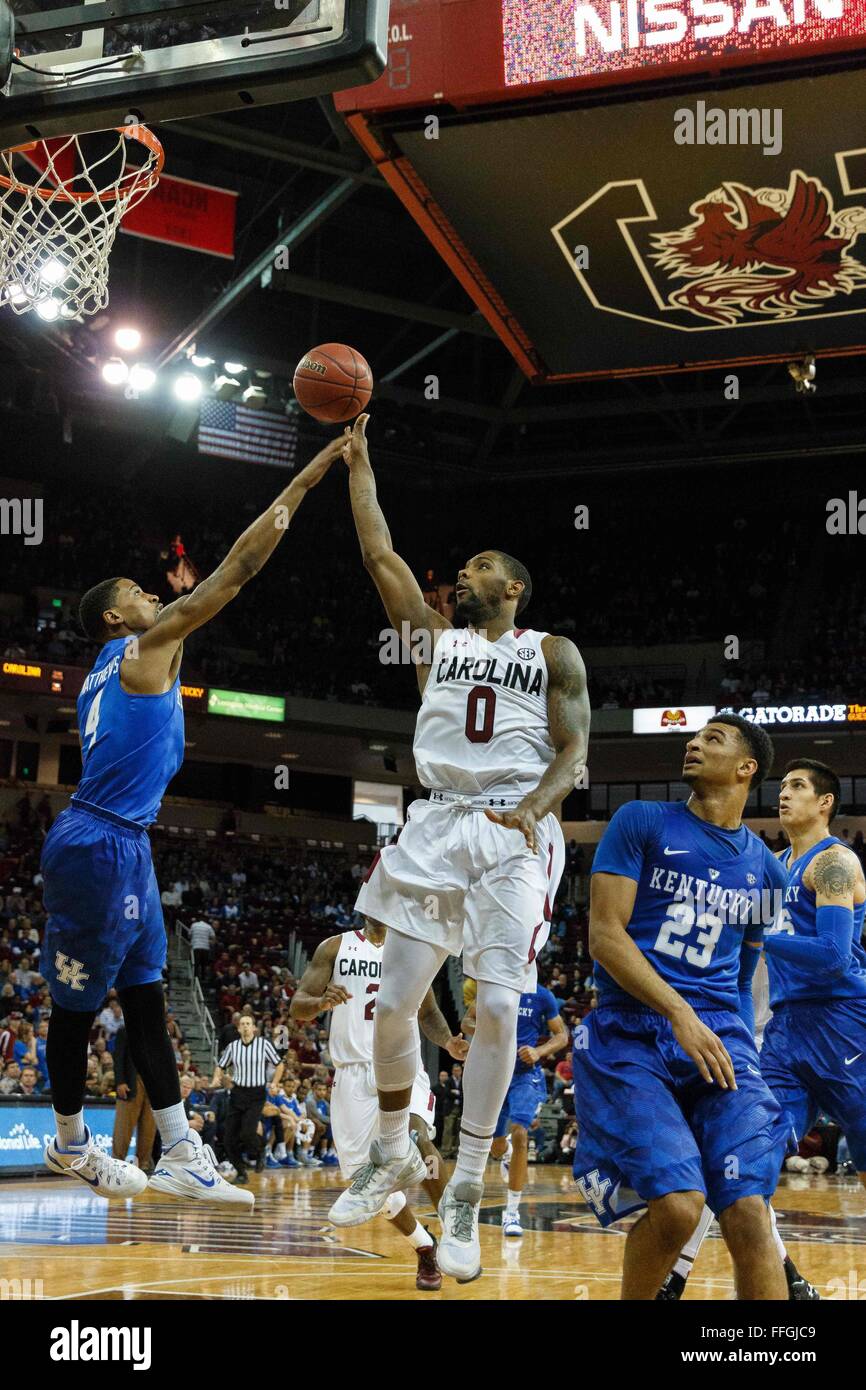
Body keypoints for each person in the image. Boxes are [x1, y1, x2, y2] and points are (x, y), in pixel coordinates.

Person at [40, 433, 342, 1207]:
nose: (157, 596)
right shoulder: (141, 650)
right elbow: (237, 572)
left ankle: (180, 1149)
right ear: (117, 615)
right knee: (76, 1002)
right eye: (142, 592)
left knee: (144, 995)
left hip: (125, 842)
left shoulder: (109, 671)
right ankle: (70, 1144)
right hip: (95, 840)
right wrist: (308, 476)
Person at [328, 416, 590, 1284]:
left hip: (513, 827)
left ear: (512, 587)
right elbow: (381, 557)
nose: (462, 577)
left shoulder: (552, 650)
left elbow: (575, 750)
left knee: (504, 1011)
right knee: (394, 1002)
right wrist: (361, 464)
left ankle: (469, 1184)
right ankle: (396, 1152)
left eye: (480, 568)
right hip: (434, 823)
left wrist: (539, 808)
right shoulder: (434, 643)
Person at [573, 715, 791, 1300]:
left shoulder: (768, 872)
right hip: (631, 1029)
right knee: (678, 1209)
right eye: (694, 737)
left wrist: (740, 1046)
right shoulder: (640, 820)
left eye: (712, 739)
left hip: (717, 1035)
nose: (693, 743)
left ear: (747, 769)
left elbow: (744, 979)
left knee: (749, 1210)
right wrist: (679, 1013)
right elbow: (605, 936)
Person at [293, 919, 468, 1291]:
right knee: (375, 1189)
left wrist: (449, 1042)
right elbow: (298, 1006)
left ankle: (455, 1228)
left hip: (400, 1060)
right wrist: (322, 1001)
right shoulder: (334, 948)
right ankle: (425, 1247)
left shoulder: (413, 952)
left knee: (417, 1140)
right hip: (352, 1074)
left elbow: (429, 1013)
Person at [484, 984, 568, 1237]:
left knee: (520, 1132)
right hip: (496, 1072)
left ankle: (511, 1212)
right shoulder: (493, 985)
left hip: (525, 1076)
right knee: (496, 1147)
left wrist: (539, 1051)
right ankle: (507, 1153)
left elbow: (562, 1036)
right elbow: (468, 1021)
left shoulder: (542, 995)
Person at [211, 1014, 286, 1185]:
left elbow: (279, 1064)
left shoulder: (264, 1044)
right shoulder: (232, 1047)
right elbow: (220, 1066)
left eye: (248, 1024)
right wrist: (216, 1078)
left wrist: (274, 1083)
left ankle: (261, 1151)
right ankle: (241, 1172)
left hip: (256, 1094)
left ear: (254, 1028)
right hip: (238, 1093)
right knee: (229, 1138)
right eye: (242, 1024)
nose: (245, 1026)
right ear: (238, 1029)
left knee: (247, 1133)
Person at [112, 1023, 156, 1175]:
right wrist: (120, 1081)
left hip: (152, 1083)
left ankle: (144, 1163)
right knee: (123, 1127)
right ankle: (117, 1161)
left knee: (149, 1128)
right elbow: (118, 1057)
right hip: (131, 1081)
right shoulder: (125, 1030)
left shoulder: (158, 1032)